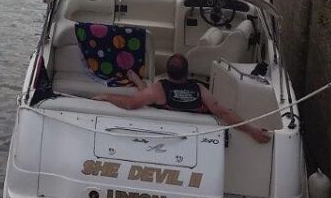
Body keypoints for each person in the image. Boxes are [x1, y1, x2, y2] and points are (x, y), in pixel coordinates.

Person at [96, 54, 272, 144]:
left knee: (148, 96)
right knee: (149, 95)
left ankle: (137, 82)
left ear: (168, 71)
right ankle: (137, 81)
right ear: (187, 73)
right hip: (192, 129)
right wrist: (252, 131)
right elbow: (224, 113)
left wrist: (106, 97)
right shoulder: (199, 89)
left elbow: (129, 104)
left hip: (160, 118)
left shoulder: (159, 89)